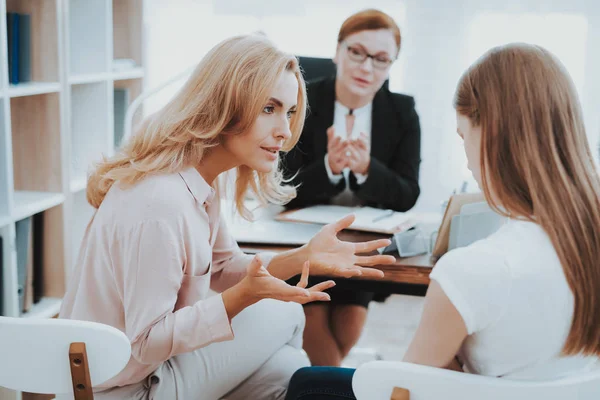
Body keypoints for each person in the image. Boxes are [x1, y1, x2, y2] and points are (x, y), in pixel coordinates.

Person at [57, 34, 396, 400]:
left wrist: (303, 256)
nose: (284, 130)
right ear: (224, 104)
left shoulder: (197, 181)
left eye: (289, 112)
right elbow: (146, 342)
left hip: (144, 370)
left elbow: (224, 267)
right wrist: (241, 298)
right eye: (269, 108)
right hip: (123, 389)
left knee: (286, 371)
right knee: (288, 314)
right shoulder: (160, 205)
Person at [284, 42, 600, 399]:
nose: (467, 161)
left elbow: (400, 394)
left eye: (463, 136)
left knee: (309, 384)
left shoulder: (471, 269)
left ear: (490, 133)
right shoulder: (587, 239)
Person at [281, 9, 421, 367]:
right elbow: (282, 186)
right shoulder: (302, 101)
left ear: (391, 65)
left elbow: (408, 194)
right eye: (356, 52)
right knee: (312, 316)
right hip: (306, 243)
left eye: (380, 59)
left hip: (360, 244)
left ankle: (324, 384)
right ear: (337, 51)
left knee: (350, 321)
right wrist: (328, 167)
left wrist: (365, 169)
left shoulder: (403, 111)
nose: (366, 67)